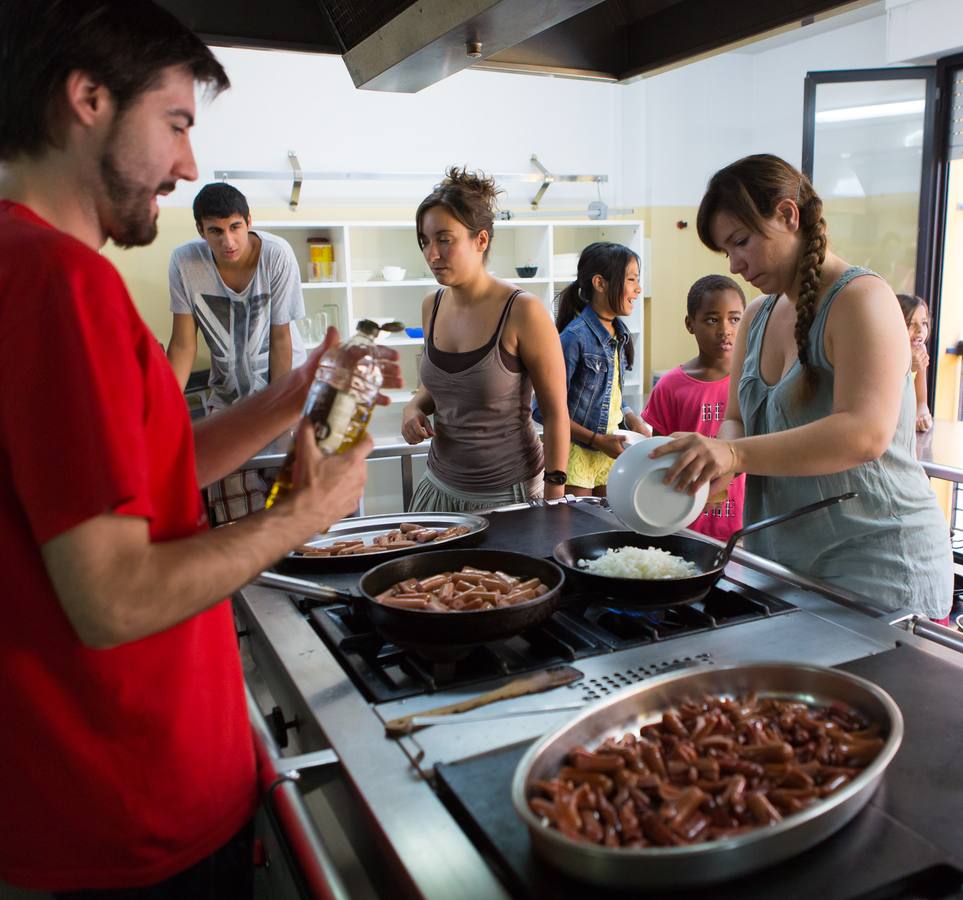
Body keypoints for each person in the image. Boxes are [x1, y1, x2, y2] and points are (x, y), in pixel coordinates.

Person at [0, 2, 399, 897]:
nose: (187, 164)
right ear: (88, 99)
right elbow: (109, 598)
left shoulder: (21, 263)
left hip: (91, 805)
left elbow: (147, 466)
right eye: (176, 124)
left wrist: (288, 398)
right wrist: (300, 515)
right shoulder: (64, 282)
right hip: (131, 815)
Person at [652, 153, 951, 619]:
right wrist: (716, 463)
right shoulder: (758, 315)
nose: (734, 264)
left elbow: (864, 433)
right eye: (725, 252)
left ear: (788, 215)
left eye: (741, 242)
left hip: (879, 568)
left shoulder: (862, 300)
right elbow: (735, 418)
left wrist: (736, 455)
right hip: (782, 562)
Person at [402, 167, 570, 510]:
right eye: (425, 241)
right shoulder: (431, 306)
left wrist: (555, 501)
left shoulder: (523, 311)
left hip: (507, 497)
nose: (432, 254)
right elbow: (436, 388)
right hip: (437, 490)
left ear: (481, 240)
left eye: (444, 240)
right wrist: (413, 408)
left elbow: (555, 415)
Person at [167, 182, 307, 522]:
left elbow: (281, 341)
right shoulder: (184, 262)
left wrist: (278, 414)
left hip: (283, 389)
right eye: (215, 231)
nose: (227, 241)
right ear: (200, 230)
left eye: (235, 228)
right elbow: (184, 344)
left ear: (248, 221)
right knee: (235, 514)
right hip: (228, 395)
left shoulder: (276, 254)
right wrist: (164, 410)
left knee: (291, 507)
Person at [533, 241, 649, 498]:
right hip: (576, 454)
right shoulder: (573, 338)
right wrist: (596, 440)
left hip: (610, 452)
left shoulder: (620, 334)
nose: (638, 289)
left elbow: (608, 394)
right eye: (631, 280)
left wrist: (631, 418)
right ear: (600, 283)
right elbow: (543, 411)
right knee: (581, 534)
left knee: (610, 531)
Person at [643, 274, 746, 539]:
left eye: (735, 318)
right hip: (684, 524)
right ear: (690, 324)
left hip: (744, 528)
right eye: (712, 320)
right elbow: (660, 457)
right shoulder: (670, 387)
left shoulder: (753, 381)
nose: (725, 329)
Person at [896, 293, 933, 433]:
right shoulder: (886, 353)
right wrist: (906, 365)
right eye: (911, 323)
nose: (920, 330)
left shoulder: (920, 351)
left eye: (924, 323)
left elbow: (921, 400)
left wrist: (922, 413)